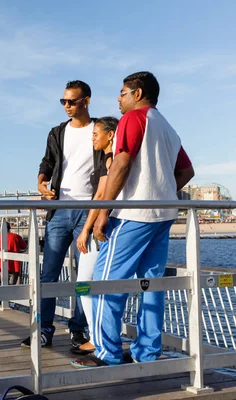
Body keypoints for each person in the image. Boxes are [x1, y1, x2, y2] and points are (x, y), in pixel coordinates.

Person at [72, 71, 195, 368]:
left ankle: (106, 353)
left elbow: (122, 163)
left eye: (122, 92)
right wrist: (161, 190)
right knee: (151, 286)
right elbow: (187, 172)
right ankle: (148, 352)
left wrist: (104, 213)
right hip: (163, 216)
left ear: (137, 94)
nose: (118, 98)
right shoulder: (167, 127)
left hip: (132, 215)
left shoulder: (133, 118)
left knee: (105, 283)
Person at [25, 80, 105, 349]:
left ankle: (79, 329)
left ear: (87, 101)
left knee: (86, 278)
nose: (67, 106)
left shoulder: (100, 129)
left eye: (71, 101)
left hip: (89, 211)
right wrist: (41, 183)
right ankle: (44, 329)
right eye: (63, 102)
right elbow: (47, 162)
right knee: (49, 274)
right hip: (58, 210)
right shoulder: (57, 132)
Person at [71, 117, 118, 356]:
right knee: (95, 285)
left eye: (96, 134)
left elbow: (100, 196)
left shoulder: (110, 160)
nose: (93, 138)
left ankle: (97, 337)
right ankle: (101, 336)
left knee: (83, 284)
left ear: (110, 135)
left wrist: (85, 229)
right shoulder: (110, 159)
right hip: (105, 228)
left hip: (99, 230)